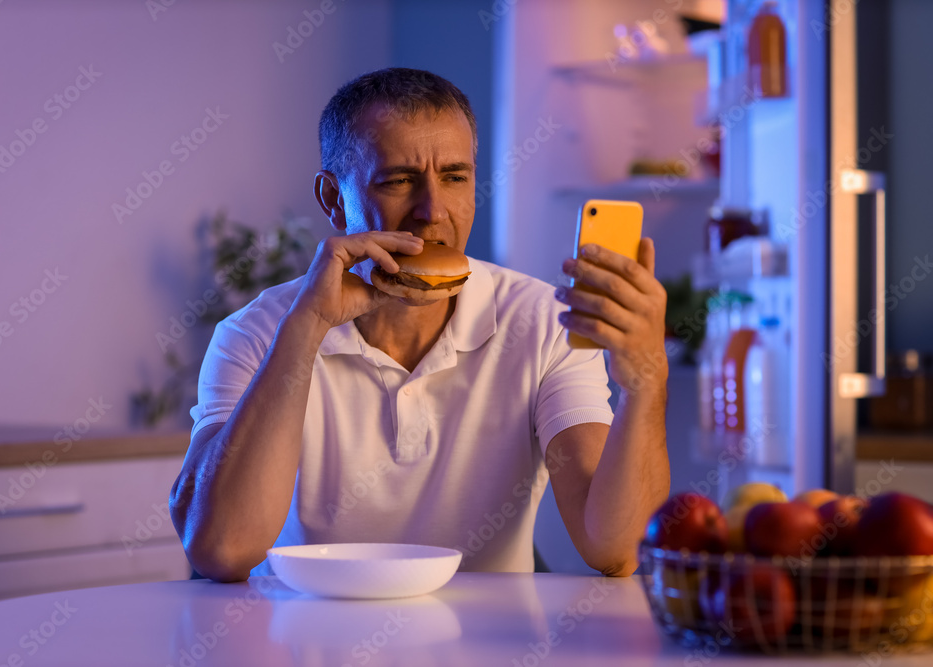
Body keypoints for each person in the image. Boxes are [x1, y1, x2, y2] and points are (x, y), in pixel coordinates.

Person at [170, 68, 669, 582]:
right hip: (309, 638)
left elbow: (615, 549)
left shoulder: (543, 321)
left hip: (489, 645)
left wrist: (645, 382)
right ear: (333, 200)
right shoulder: (253, 333)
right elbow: (222, 549)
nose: (432, 212)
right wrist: (306, 329)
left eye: (455, 177)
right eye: (399, 180)